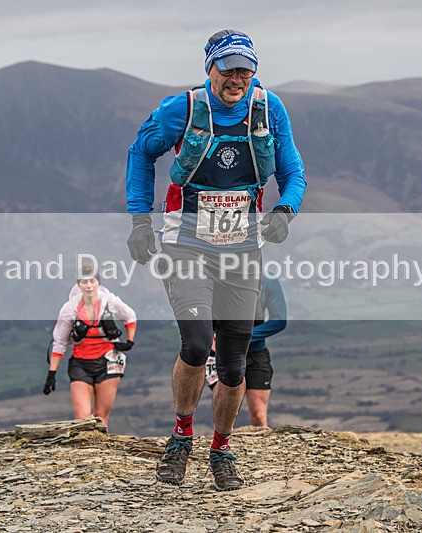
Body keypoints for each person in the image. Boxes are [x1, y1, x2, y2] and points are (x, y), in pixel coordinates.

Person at [126, 29, 305, 490]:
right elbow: (140, 152)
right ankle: (181, 437)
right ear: (210, 68)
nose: (236, 79)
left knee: (233, 361)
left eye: (245, 70)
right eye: (228, 70)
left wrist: (285, 210)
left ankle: (221, 448)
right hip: (186, 242)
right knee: (194, 341)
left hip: (243, 246)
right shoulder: (182, 109)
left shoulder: (269, 108)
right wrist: (140, 220)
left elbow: (293, 170)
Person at [43, 264, 137, 430]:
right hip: (80, 362)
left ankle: (101, 446)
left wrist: (129, 341)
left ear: (98, 283)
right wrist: (52, 374)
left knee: (101, 417)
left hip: (109, 361)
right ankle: (83, 445)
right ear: (79, 285)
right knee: (82, 418)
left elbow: (129, 317)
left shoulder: (109, 301)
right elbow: (59, 342)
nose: (88, 286)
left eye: (92, 281)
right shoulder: (70, 309)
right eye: (84, 282)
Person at [206, 275, 287, 427]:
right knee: (226, 411)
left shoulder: (268, 279)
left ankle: (259, 443)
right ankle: (221, 441)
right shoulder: (214, 275)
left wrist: (240, 336)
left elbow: (279, 321)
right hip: (221, 354)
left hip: (255, 354)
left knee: (259, 416)